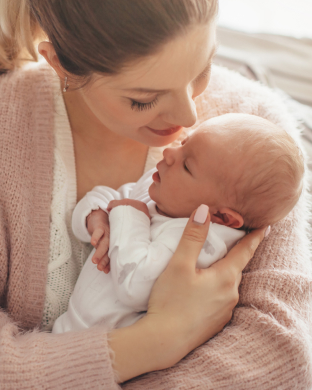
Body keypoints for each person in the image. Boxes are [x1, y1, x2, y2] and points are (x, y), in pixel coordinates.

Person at [0, 0, 312, 388]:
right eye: (143, 99)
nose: (188, 116)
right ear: (59, 63)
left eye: (203, 68)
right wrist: (157, 342)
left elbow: (283, 356)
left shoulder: (257, 132)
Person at [52, 113, 304, 334]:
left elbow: (134, 286)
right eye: (184, 143)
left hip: (107, 351)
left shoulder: (201, 244)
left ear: (222, 218)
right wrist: (95, 216)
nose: (169, 153)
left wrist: (130, 215)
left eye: (187, 165)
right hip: (68, 329)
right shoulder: (161, 193)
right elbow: (109, 196)